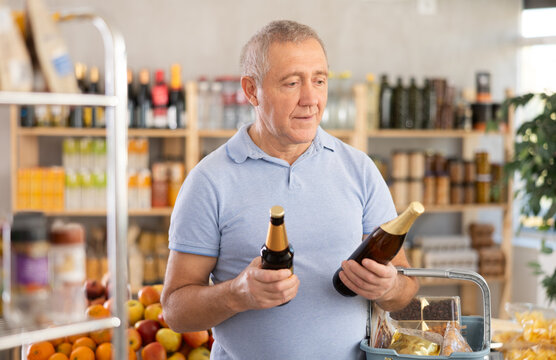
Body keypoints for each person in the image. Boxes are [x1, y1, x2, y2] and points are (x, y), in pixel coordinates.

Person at [161, 20, 419, 359]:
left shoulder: (359, 170)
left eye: (319, 80)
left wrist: (390, 287)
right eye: (292, 83)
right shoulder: (210, 180)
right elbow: (175, 311)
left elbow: (407, 290)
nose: (311, 99)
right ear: (251, 90)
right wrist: (238, 293)